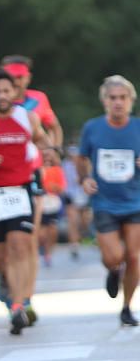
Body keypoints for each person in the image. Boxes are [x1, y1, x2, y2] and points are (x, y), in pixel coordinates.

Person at [0, 69, 51, 335]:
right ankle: (5, 282)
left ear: (15, 93)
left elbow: (42, 140)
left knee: (20, 245)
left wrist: (49, 152)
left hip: (21, 190)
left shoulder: (27, 117)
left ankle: (17, 305)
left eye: (6, 91)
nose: (2, 96)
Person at [76, 75, 140, 326]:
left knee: (134, 257)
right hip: (104, 202)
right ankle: (114, 271)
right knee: (113, 256)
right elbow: (81, 159)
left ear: (130, 101)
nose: (118, 103)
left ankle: (126, 307)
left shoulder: (137, 127)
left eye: (122, 98)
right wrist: (84, 179)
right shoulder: (92, 128)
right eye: (113, 98)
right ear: (104, 101)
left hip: (135, 201)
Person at [62, 144, 90, 259]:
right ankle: (74, 245)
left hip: (84, 195)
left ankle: (83, 235)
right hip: (70, 195)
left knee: (84, 221)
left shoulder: (86, 164)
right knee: (73, 221)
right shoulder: (65, 165)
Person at [39, 148, 67, 267]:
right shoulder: (38, 170)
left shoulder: (57, 170)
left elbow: (61, 188)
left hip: (53, 203)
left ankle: (48, 252)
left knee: (53, 229)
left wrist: (51, 187)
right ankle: (42, 247)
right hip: (40, 203)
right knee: (42, 232)